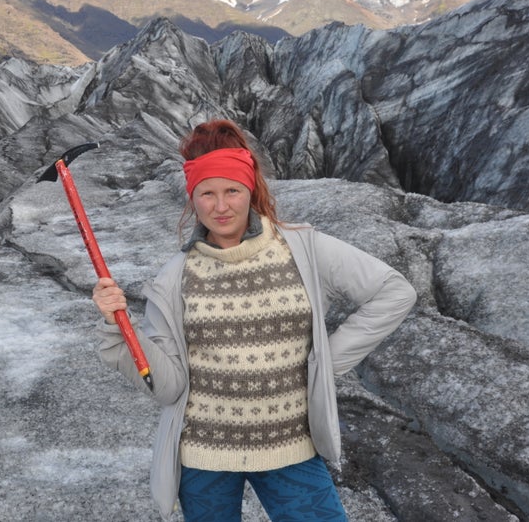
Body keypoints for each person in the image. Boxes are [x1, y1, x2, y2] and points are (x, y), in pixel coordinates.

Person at [92, 119, 417, 522]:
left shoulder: (304, 248)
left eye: (232, 190)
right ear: (192, 198)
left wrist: (324, 364)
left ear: (251, 189)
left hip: (290, 448)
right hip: (203, 458)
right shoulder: (174, 278)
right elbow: (169, 386)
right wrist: (119, 327)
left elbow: (394, 292)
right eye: (207, 193)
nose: (221, 206)